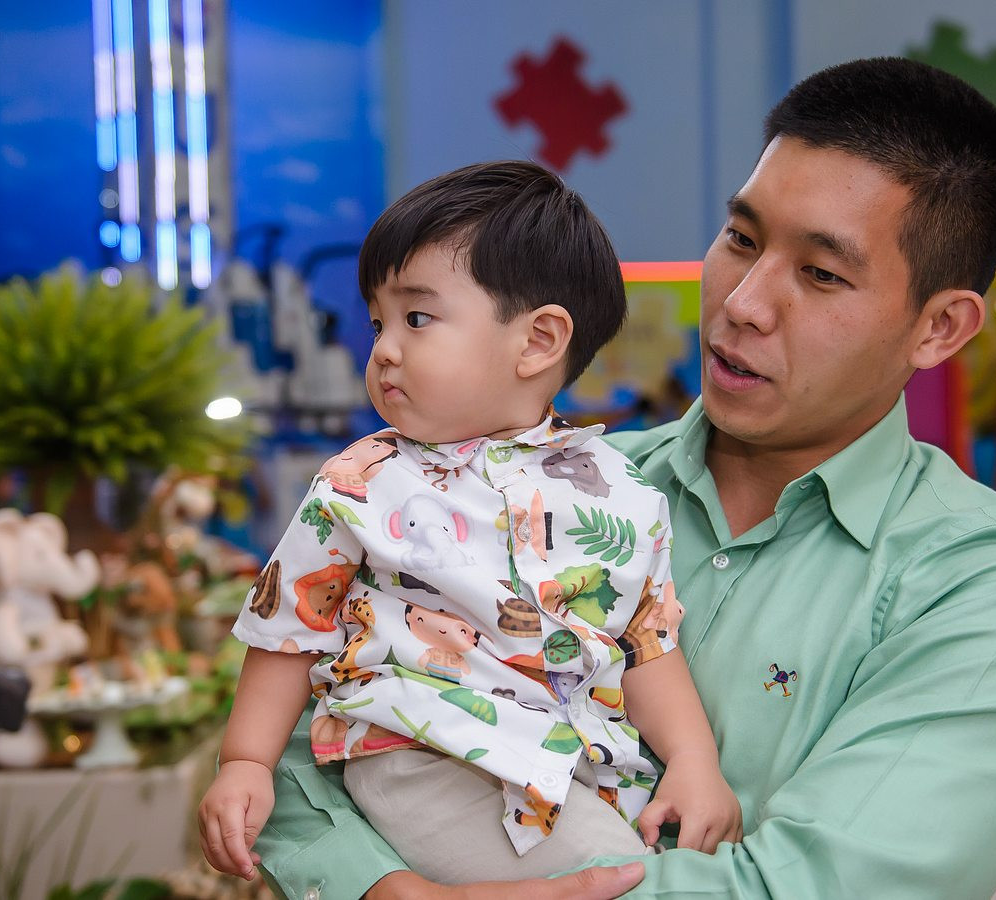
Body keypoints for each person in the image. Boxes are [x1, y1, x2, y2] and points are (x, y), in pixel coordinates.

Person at [249, 58, 996, 900]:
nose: (743, 303)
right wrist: (380, 888)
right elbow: (300, 739)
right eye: (741, 239)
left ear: (939, 328)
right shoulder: (550, 485)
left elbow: (810, 885)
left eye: (821, 274)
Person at [198, 161, 740, 886]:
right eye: (379, 322)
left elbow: (645, 645)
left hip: (570, 767)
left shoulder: (623, 492)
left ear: (539, 342)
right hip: (425, 754)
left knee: (660, 861)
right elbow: (288, 628)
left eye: (417, 319)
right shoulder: (363, 479)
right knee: (631, 880)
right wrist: (246, 761)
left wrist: (695, 762)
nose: (384, 348)